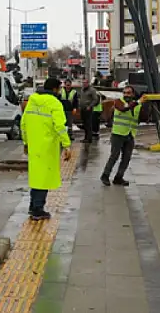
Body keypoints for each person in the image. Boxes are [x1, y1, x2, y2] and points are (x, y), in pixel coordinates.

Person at [21, 78, 72, 221]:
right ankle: (38, 209)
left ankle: (33, 206)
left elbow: (23, 124)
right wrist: (66, 145)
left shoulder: (32, 100)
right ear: (55, 89)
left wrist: (26, 142)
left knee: (37, 177)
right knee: (43, 179)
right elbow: (60, 126)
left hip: (34, 146)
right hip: (48, 147)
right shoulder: (54, 103)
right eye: (60, 88)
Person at [101, 85, 141, 187]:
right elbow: (123, 109)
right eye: (124, 92)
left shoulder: (137, 105)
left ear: (133, 94)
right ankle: (105, 175)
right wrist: (139, 102)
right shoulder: (118, 102)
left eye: (128, 93)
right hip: (118, 133)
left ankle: (119, 177)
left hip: (130, 133)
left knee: (126, 158)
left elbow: (140, 117)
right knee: (114, 156)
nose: (126, 95)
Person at [79, 78, 101, 143]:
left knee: (88, 124)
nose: (84, 84)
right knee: (84, 124)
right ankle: (86, 138)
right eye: (83, 83)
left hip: (88, 109)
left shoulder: (92, 90)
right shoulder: (82, 89)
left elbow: (95, 99)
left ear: (88, 83)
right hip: (82, 109)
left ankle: (89, 138)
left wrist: (90, 106)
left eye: (85, 83)